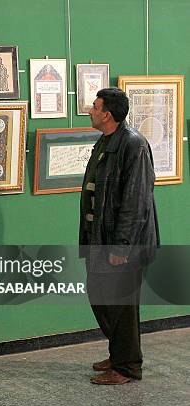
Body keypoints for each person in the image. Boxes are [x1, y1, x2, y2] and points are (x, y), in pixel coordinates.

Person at [79, 87, 160, 385]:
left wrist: (122, 246)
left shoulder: (133, 145)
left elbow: (136, 202)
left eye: (95, 106)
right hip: (98, 238)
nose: (90, 109)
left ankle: (127, 367)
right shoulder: (106, 141)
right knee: (101, 296)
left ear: (107, 114)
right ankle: (119, 353)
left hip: (122, 244)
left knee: (121, 306)